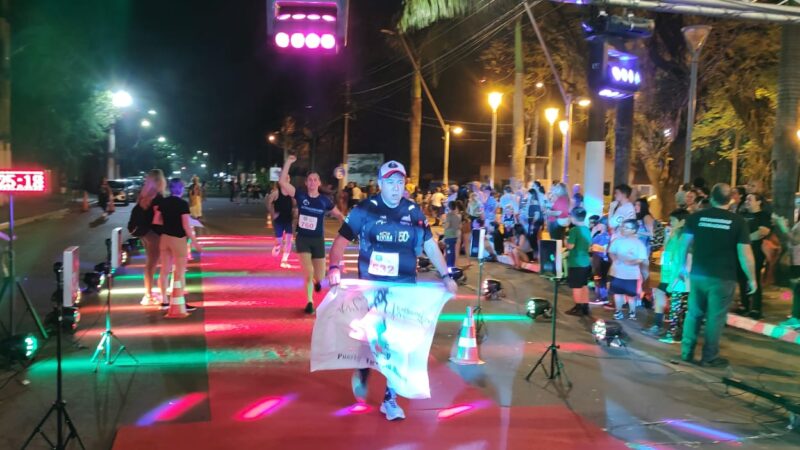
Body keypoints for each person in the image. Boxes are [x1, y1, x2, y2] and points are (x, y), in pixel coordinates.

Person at [327, 160, 457, 422]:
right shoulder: (365, 209)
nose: (396, 188)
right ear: (381, 183)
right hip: (373, 286)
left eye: (400, 182)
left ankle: (390, 398)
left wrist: (446, 275)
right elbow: (341, 240)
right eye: (391, 182)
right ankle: (364, 368)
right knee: (375, 336)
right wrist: (333, 267)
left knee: (398, 342)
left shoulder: (414, 212)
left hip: (405, 287)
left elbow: (430, 246)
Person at [676, 183, 756, 367]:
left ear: (711, 198)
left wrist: (681, 267)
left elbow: (684, 243)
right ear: (731, 200)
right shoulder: (738, 222)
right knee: (715, 317)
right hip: (723, 277)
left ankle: (687, 353)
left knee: (693, 314)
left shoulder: (696, 218)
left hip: (697, 275)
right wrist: (752, 278)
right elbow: (745, 253)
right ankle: (709, 357)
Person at [279, 155, 345, 314]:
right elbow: (282, 182)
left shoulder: (325, 201)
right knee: (308, 272)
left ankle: (317, 282)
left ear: (319, 183)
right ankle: (309, 302)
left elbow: (338, 215)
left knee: (320, 276)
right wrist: (288, 162)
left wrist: (347, 223)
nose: (313, 182)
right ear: (306, 183)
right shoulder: (301, 196)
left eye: (316, 180)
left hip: (318, 240)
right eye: (310, 180)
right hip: (303, 239)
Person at [157, 178, 203, 318]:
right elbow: (185, 225)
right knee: (179, 271)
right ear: (180, 189)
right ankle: (179, 300)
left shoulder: (163, 202)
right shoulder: (182, 204)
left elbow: (156, 220)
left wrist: (167, 223)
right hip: (178, 239)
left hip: (164, 238)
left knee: (164, 270)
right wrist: (195, 242)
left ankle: (164, 300)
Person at [645, 209, 690, 340]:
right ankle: (658, 325)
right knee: (659, 293)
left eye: (673, 220)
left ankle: (675, 333)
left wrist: (679, 277)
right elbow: (665, 253)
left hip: (679, 277)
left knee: (678, 306)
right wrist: (667, 237)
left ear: (682, 221)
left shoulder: (685, 237)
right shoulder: (673, 234)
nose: (670, 223)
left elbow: (685, 258)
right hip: (668, 274)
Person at [128, 169, 166, 306]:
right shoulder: (158, 198)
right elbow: (159, 219)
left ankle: (149, 292)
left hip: (144, 232)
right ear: (160, 181)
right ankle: (148, 295)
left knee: (150, 263)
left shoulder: (144, 195)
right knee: (152, 264)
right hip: (153, 233)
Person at [738, 193, 771, 319]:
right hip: (741, 252)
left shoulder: (763, 216)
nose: (747, 201)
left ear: (759, 202)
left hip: (756, 252)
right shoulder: (742, 215)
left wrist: (744, 240)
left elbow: (763, 232)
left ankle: (756, 308)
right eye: (746, 199)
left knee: (754, 277)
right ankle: (744, 305)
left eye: (750, 199)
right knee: (741, 278)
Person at [608, 219, 648, 321]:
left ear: (633, 230)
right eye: (623, 227)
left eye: (626, 228)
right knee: (617, 293)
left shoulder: (638, 243)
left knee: (631, 295)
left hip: (631, 274)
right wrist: (614, 259)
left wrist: (632, 262)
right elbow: (611, 252)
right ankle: (618, 311)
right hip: (617, 272)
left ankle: (632, 312)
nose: (623, 229)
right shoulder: (617, 240)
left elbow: (641, 258)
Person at [565, 207, 592, 316]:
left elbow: (570, 246)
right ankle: (585, 306)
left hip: (576, 262)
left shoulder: (574, 230)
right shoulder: (587, 229)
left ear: (573, 217)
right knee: (584, 285)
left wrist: (566, 240)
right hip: (585, 261)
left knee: (576, 286)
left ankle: (578, 307)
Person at [266, 176, 295, 268]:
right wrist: (272, 213)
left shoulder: (291, 193)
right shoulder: (276, 193)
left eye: (288, 178)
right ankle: (277, 247)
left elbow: (295, 205)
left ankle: (284, 260)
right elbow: (268, 202)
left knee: (289, 240)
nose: (287, 180)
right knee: (278, 242)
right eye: (285, 178)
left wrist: (295, 212)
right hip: (279, 220)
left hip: (288, 220)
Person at [589, 216, 611, 304]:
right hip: (597, 259)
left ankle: (602, 297)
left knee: (600, 278)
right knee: (598, 277)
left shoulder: (604, 236)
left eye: (599, 224)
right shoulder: (600, 235)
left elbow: (593, 245)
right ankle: (599, 296)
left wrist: (592, 233)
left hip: (600, 259)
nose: (597, 226)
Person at [443, 201, 461, 268]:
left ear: (449, 207)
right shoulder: (457, 216)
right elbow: (459, 226)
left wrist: (444, 224)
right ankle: (452, 266)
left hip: (449, 236)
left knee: (449, 252)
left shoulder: (449, 215)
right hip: (455, 236)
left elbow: (447, 226)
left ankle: (449, 267)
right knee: (452, 252)